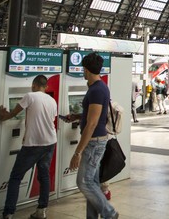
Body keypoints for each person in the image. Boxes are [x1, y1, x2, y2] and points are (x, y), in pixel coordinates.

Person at [67, 52, 118, 219]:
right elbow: (92, 116)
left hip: (94, 142)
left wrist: (78, 152)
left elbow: (92, 124)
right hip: (95, 140)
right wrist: (77, 117)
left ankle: (109, 213)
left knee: (84, 182)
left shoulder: (97, 90)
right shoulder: (98, 88)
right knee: (92, 183)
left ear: (86, 69)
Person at [0, 75, 57, 219]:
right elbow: (45, 120)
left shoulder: (29, 96)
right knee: (44, 176)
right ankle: (41, 211)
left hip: (33, 145)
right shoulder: (52, 100)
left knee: (15, 177)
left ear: (34, 85)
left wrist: (3, 116)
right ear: (46, 87)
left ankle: (8, 213)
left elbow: (14, 113)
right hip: (49, 142)